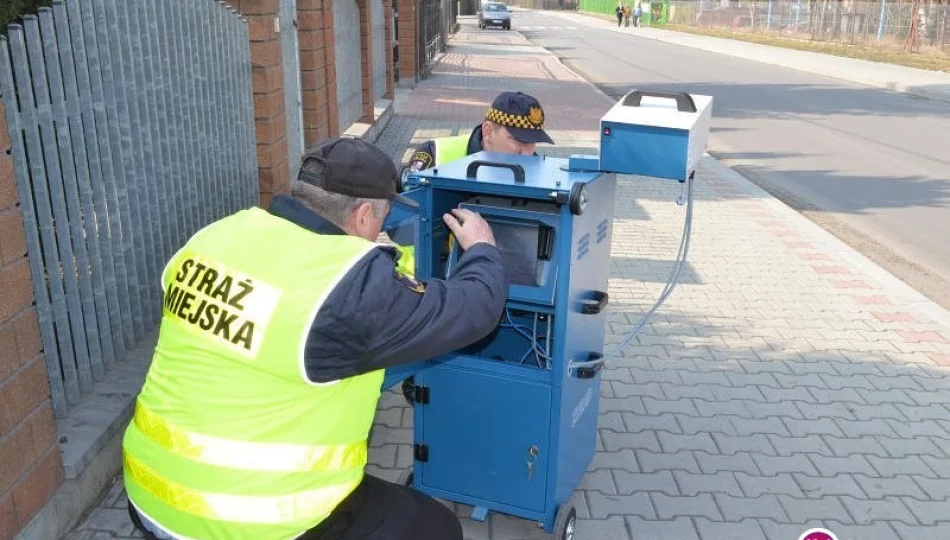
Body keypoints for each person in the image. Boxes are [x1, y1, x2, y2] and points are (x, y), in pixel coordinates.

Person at [121, 137, 508, 540]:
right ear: (362, 216)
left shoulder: (215, 236)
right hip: (249, 521)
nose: (380, 230)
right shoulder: (345, 285)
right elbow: (475, 309)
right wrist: (481, 247)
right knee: (435, 528)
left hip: (149, 492)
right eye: (381, 219)